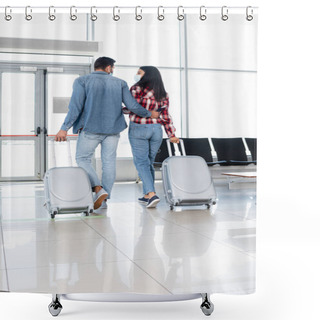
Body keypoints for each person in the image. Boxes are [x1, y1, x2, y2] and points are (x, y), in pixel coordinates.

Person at [55, 57, 159, 210]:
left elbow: (75, 107)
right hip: (113, 130)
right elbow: (132, 106)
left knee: (83, 159)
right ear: (109, 68)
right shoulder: (120, 83)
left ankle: (98, 189)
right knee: (109, 163)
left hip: (90, 129)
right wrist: (149, 114)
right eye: (113, 68)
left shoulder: (82, 81)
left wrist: (64, 128)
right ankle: (104, 199)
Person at [124, 66, 179, 208]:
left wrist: (119, 109)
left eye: (139, 72)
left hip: (139, 128)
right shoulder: (163, 93)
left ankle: (151, 193)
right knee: (148, 162)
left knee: (141, 162)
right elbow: (165, 116)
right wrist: (171, 134)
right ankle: (146, 195)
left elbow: (134, 108)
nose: (136, 74)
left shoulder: (136, 89)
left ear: (146, 75)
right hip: (156, 130)